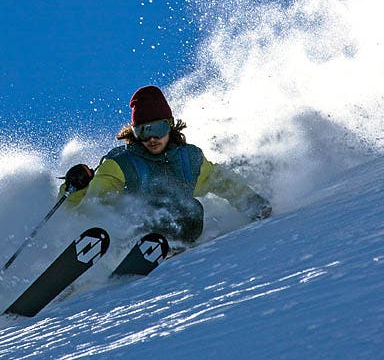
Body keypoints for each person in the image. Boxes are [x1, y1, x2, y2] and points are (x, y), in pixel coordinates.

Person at [62, 85, 272, 243]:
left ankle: (168, 247)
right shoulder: (120, 165)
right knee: (172, 208)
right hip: (129, 231)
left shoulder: (189, 160)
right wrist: (76, 189)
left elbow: (221, 182)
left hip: (178, 230)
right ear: (134, 134)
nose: (151, 138)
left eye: (158, 129)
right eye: (143, 131)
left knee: (190, 208)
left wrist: (253, 204)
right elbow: (92, 204)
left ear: (170, 126)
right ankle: (126, 252)